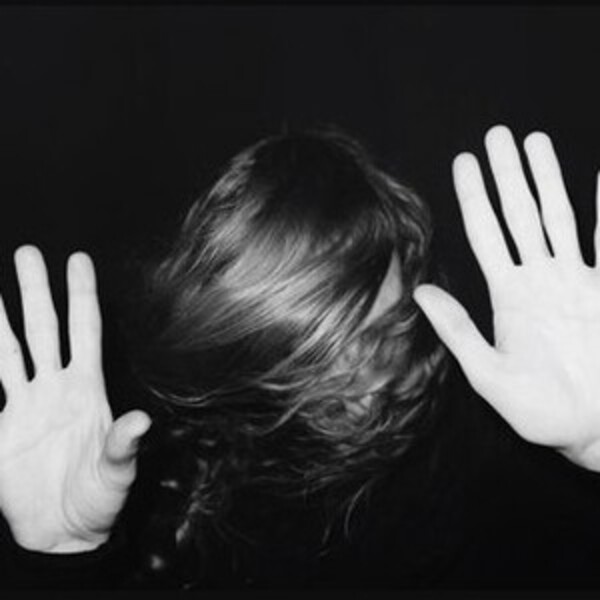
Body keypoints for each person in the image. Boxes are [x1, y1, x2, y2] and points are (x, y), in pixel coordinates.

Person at [2, 124, 600, 588]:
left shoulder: (508, 443)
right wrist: (61, 560)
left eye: (381, 333)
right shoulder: (171, 482)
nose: (360, 381)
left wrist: (595, 450)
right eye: (310, 356)